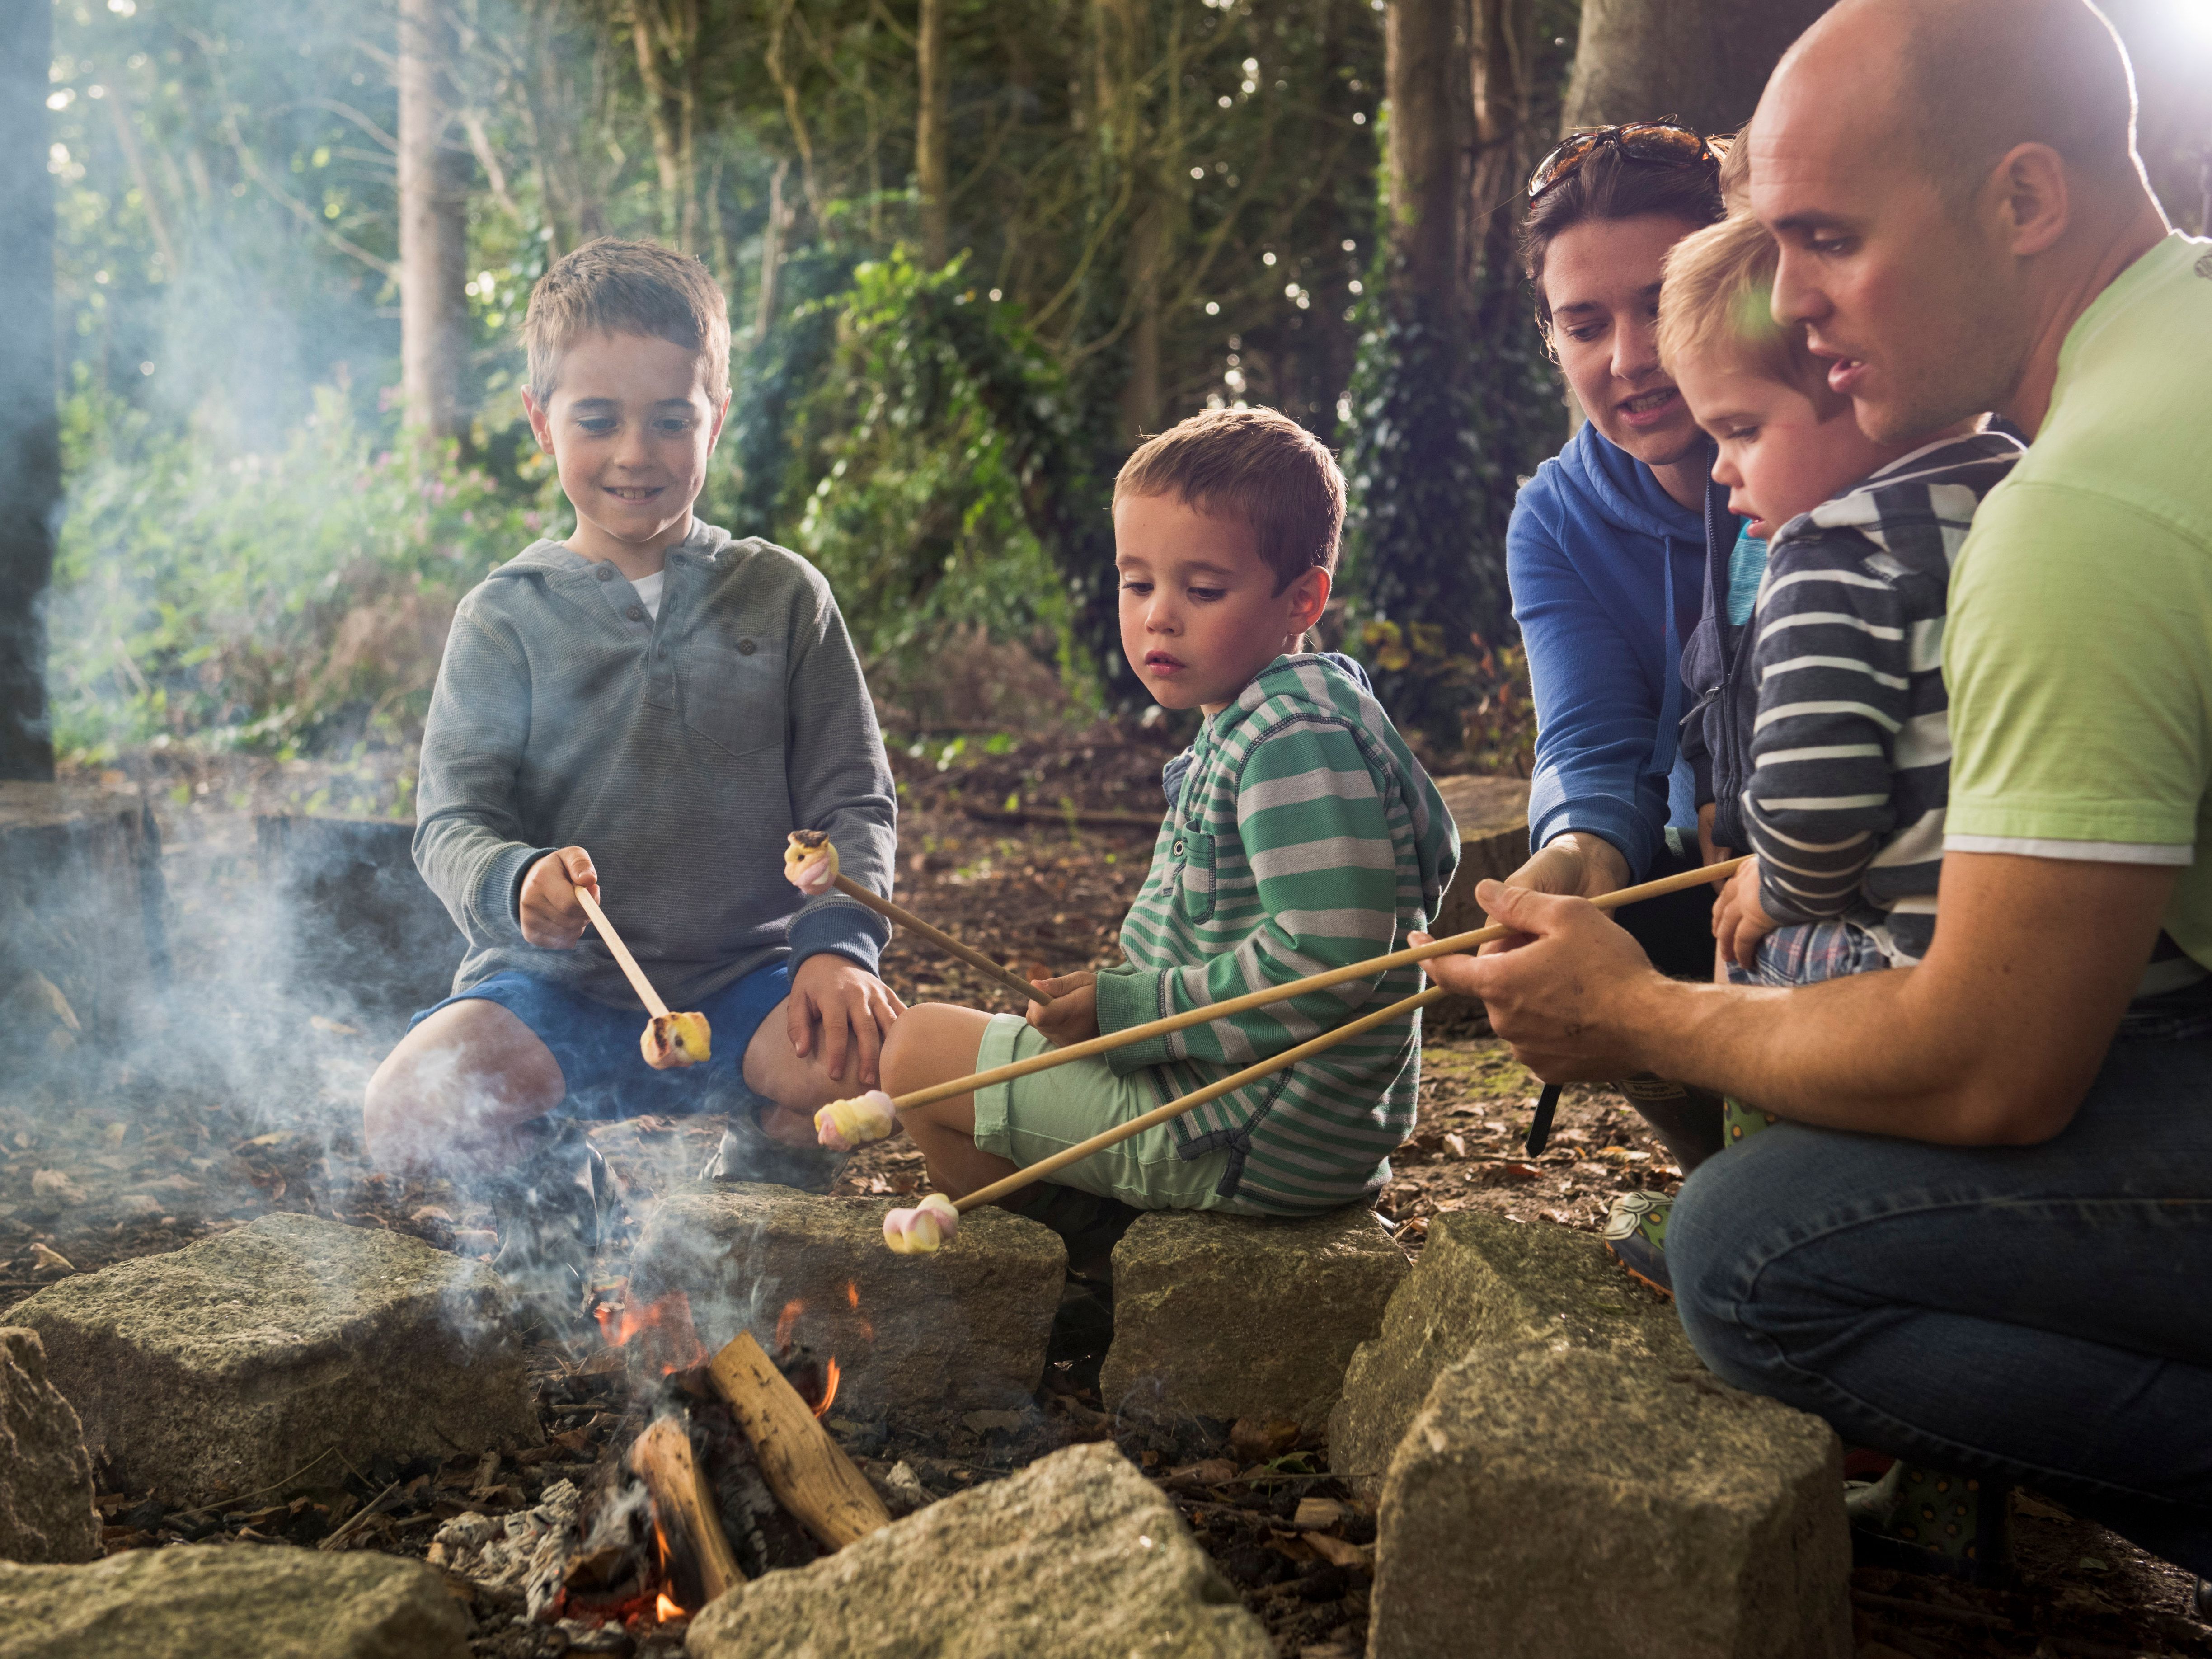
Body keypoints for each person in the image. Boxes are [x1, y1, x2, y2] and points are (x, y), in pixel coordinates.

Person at [1424, 0, 2212, 1585]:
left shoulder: (2072, 513)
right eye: (1772, 247)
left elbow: (1995, 1068)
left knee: (1750, 1247)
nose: (1785, 306)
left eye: (1827, 241)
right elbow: (1594, 736)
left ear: (2021, 199)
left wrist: (1635, 1020)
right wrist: (1593, 856)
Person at [363, 238, 903, 1310]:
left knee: (866, 1067)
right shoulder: (504, 618)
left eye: (671, 416)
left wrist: (840, 948)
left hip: (751, 987)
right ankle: (567, 1211)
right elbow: (452, 821)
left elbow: (855, 799)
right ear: (539, 421)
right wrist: (518, 881)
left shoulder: (784, 597)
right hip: (557, 993)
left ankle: (744, 1227)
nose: (635, 450)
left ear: (718, 412)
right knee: (405, 1113)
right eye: (597, 418)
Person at [878, 408, 1458, 1272]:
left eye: (1203, 589)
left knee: (920, 1054)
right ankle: (1098, 1241)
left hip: (1244, 1123)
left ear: (1302, 598)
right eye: (1137, 582)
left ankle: (1084, 1271)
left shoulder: (1290, 741)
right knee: (962, 1046)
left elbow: (1331, 965)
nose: (1160, 618)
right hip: (1245, 1100)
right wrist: (1122, 1004)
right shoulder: (1284, 711)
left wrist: (1135, 1013)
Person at [1602, 206, 2023, 1325]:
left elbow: (1819, 808)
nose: (1725, 477)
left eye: (1740, 431)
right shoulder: (2012, 485)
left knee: (1755, 961)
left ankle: (1769, 1208)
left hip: (1917, 953)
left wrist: (1767, 887)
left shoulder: (1832, 552)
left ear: (1848, 383)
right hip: (2039, 939)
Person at [1500, 122, 1745, 1172]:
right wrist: (1577, 856)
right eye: (1584, 323)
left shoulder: (1848, 452)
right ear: (1550, 336)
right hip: (1693, 870)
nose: (1629, 359)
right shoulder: (1556, 520)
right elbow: (1592, 739)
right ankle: (1722, 1168)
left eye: (1660, 303)